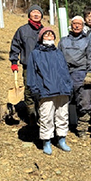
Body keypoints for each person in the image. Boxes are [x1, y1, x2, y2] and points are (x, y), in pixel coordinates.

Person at [26, 27, 73, 155]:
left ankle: (61, 139)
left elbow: (65, 71)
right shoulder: (35, 54)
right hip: (45, 90)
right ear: (41, 38)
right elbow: (31, 74)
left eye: (51, 34)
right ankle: (46, 141)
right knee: (46, 116)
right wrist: (34, 89)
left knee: (62, 115)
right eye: (46, 34)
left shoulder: (58, 53)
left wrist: (69, 86)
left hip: (62, 90)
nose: (49, 36)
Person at [58, 16, 91, 138]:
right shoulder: (63, 41)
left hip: (81, 72)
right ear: (71, 25)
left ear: (83, 26)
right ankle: (60, 128)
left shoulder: (87, 41)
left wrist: (90, 73)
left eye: (79, 24)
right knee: (62, 100)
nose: (76, 26)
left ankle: (82, 128)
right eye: (74, 23)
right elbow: (58, 58)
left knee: (85, 101)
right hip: (65, 73)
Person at [9, 4, 44, 126]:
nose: (36, 14)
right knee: (29, 92)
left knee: (42, 92)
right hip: (28, 67)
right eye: (33, 12)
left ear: (41, 15)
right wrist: (14, 62)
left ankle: (42, 118)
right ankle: (32, 119)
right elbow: (15, 46)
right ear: (29, 15)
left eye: (38, 12)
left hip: (43, 68)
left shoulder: (45, 31)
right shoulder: (22, 30)